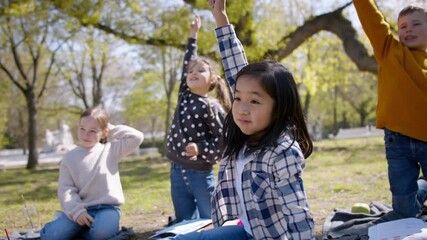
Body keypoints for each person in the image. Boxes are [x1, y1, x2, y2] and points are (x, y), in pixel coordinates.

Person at [168, 0, 315, 239]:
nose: (242, 109)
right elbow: (236, 65)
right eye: (237, 99)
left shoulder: (283, 152)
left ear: (279, 108)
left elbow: (298, 216)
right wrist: (220, 17)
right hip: (244, 232)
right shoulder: (243, 136)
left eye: (255, 102)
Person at [353, 1, 427, 218]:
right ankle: (421, 187)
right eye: (402, 26)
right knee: (405, 211)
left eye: (416, 24)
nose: (408, 29)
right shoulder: (389, 51)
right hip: (398, 141)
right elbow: (372, 19)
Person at [40, 107, 144, 240]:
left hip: (108, 209)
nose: (85, 135)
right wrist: (77, 212)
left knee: (102, 234)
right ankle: (68, 223)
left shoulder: (111, 150)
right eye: (82, 128)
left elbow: (137, 137)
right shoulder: (69, 157)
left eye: (92, 131)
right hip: (80, 209)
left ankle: (84, 232)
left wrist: (108, 128)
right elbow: (66, 189)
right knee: (51, 236)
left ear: (104, 133)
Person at [166, 15, 232, 225]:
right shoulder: (184, 95)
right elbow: (188, 60)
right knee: (184, 220)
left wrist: (201, 148)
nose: (193, 73)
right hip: (177, 169)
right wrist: (193, 35)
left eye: (200, 70)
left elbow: (224, 140)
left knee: (209, 218)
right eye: (190, 72)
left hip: (200, 173)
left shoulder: (212, 106)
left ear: (212, 79)